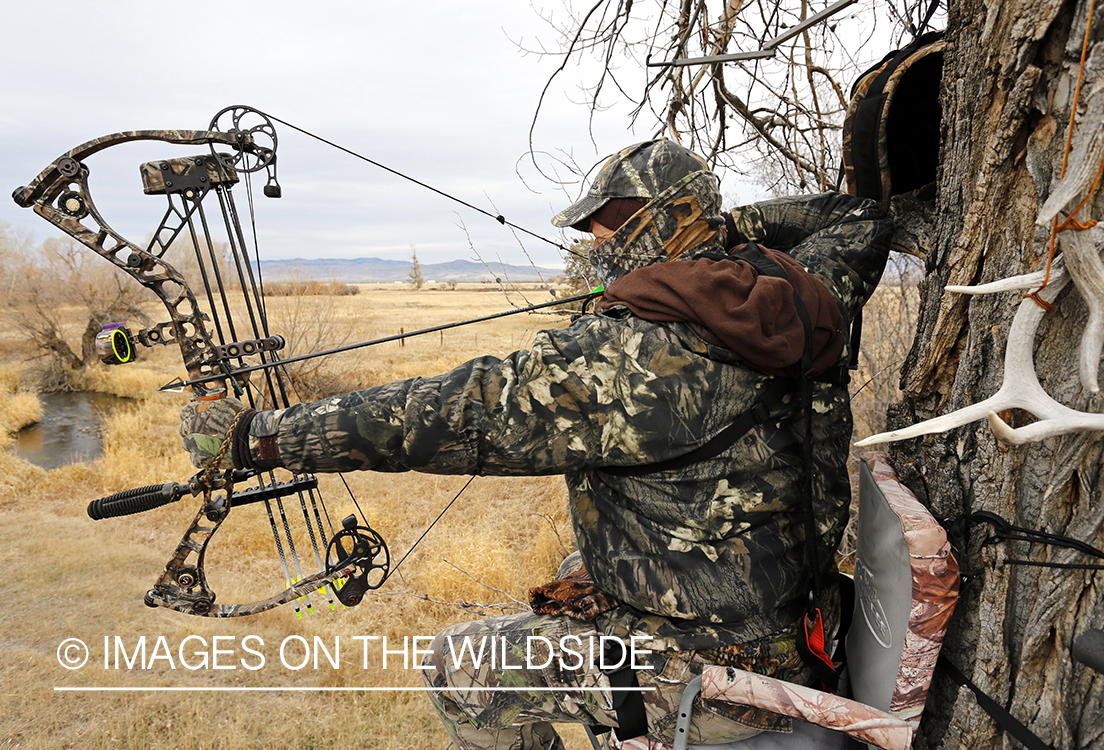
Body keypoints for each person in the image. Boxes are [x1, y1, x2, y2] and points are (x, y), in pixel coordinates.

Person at [180, 139, 893, 749]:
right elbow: (853, 216)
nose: (595, 246)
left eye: (610, 228)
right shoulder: (798, 296)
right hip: (796, 627)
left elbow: (445, 414)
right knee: (574, 562)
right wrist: (711, 234)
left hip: (702, 675)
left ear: (660, 223)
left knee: (460, 667)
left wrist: (255, 437)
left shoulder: (626, 357)